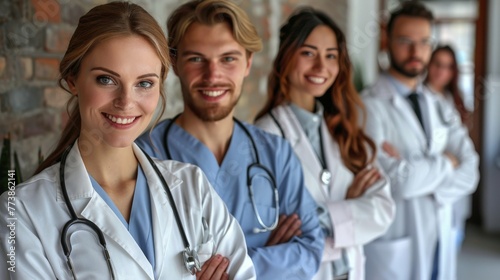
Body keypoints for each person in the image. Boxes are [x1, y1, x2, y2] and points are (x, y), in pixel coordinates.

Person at [0, 2, 255, 279]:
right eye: (106, 80)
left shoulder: (193, 187)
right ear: (73, 78)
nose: (125, 102)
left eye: (144, 83)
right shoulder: (21, 212)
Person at [136, 0, 324, 278]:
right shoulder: (143, 156)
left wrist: (239, 265)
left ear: (248, 62)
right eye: (196, 59)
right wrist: (268, 258)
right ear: (174, 63)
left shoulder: (275, 153)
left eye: (228, 59)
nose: (213, 76)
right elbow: (141, 262)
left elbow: (310, 251)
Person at [254, 8, 394, 280]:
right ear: (285, 57)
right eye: (308, 53)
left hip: (350, 270)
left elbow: (383, 208)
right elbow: (271, 228)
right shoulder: (265, 136)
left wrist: (323, 216)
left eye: (331, 55)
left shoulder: (344, 129)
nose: (321, 67)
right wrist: (349, 208)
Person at [360, 2, 479, 280]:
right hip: (396, 241)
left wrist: (420, 175)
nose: (416, 52)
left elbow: (471, 170)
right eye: (406, 41)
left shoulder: (438, 104)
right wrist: (448, 162)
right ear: (387, 41)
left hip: (440, 232)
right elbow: (396, 181)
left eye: (424, 42)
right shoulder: (368, 106)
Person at [426, 45, 471, 126]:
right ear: (429, 64)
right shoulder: (418, 95)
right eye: (437, 63)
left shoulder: (454, 97)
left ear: (453, 71)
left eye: (447, 66)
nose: (441, 70)